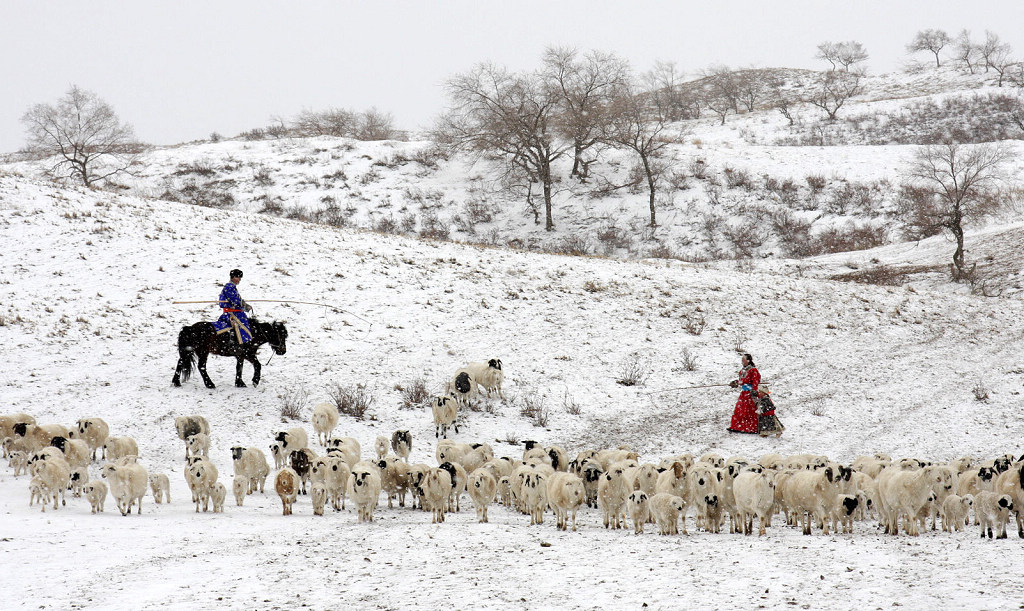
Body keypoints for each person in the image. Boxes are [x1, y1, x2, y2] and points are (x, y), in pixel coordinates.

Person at [212, 269, 252, 344]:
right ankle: (243, 342)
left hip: (234, 311)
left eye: (240, 278)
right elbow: (234, 300)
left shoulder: (232, 287)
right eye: (238, 277)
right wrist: (243, 305)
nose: (239, 280)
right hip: (233, 313)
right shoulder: (229, 287)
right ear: (233, 277)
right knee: (243, 325)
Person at [726, 353, 759, 434]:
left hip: (750, 393)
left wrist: (754, 390)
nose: (742, 361)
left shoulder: (753, 370)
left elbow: (756, 381)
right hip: (744, 393)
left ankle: (751, 428)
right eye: (742, 360)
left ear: (748, 360)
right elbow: (742, 381)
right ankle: (738, 426)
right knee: (740, 409)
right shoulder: (742, 371)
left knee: (749, 410)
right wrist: (735, 383)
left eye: (743, 360)